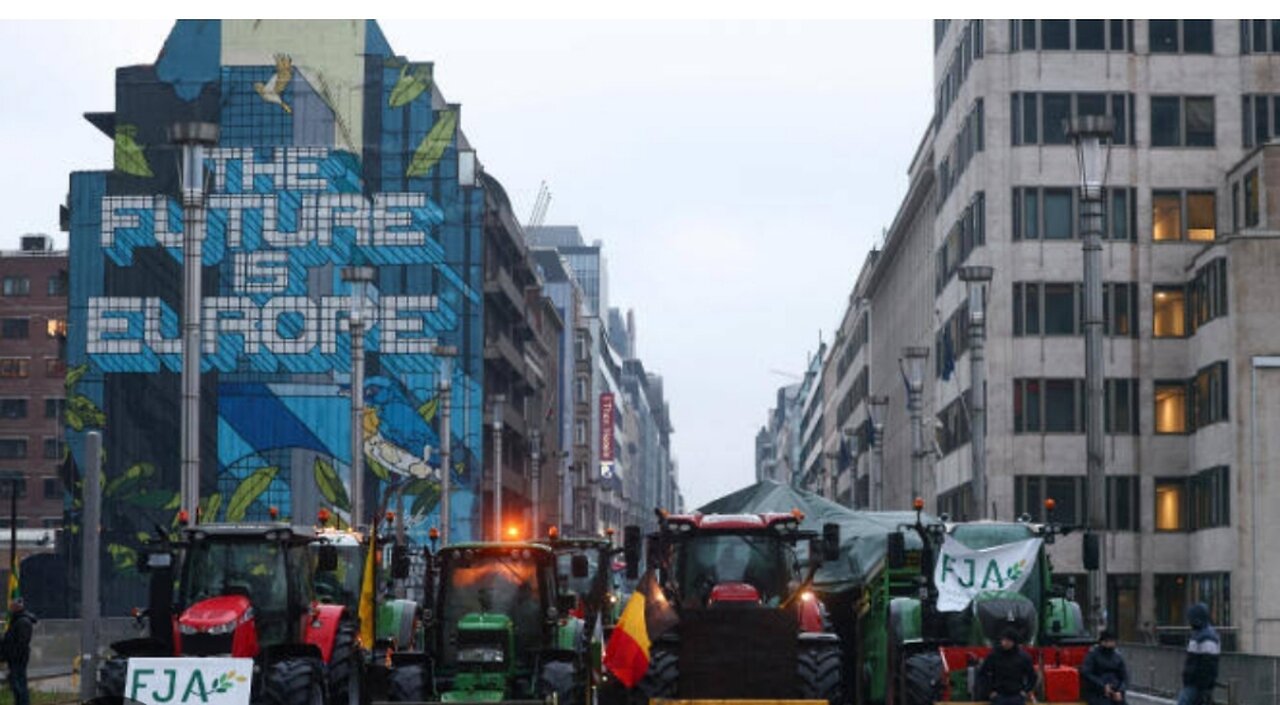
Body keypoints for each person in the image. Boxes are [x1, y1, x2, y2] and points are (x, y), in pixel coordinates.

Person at [977, 628, 1039, 705]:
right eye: (1003, 640)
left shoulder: (1024, 657)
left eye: (1008, 641)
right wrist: (989, 692)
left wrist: (1025, 691)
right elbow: (982, 674)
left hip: (1017, 696)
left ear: (1014, 642)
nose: (1005, 643)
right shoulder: (994, 655)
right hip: (998, 696)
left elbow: (1032, 676)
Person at [1177, 603, 1220, 705]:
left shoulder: (1206, 637)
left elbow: (1208, 664)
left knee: (1183, 701)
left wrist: (1203, 686)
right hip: (1194, 683)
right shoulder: (1200, 634)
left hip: (1195, 684)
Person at [2, 598, 36, 705]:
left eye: (12, 606)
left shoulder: (23, 622)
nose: (10, 608)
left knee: (20, 685)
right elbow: (10, 639)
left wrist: (13, 655)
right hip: (13, 658)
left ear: (18, 607)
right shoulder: (16, 620)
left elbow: (22, 643)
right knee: (15, 685)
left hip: (18, 658)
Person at [1080, 630, 1128, 705]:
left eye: (1112, 641)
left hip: (1115, 689)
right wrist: (1102, 686)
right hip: (1097, 692)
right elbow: (1086, 673)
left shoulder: (1117, 656)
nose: (1110, 644)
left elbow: (1124, 676)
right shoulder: (1093, 655)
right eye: (1107, 641)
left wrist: (1120, 690)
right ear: (1102, 642)